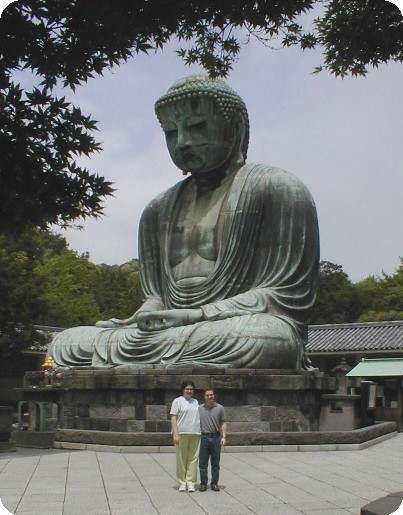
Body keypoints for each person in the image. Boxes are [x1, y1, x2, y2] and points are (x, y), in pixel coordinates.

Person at [48, 74, 319, 370]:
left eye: (196, 127)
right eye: (170, 133)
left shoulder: (278, 188)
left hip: (234, 327)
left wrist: (197, 315)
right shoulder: (157, 210)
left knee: (270, 339)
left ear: (236, 128)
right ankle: (160, 358)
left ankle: (156, 358)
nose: (182, 142)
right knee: (65, 344)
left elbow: (285, 297)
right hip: (174, 333)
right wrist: (147, 315)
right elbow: (156, 296)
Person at [170, 381, 201, 492]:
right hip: (181, 433)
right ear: (183, 390)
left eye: (191, 389)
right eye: (187, 389)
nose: (189, 391)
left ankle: (191, 482)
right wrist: (175, 434)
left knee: (193, 458)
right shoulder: (177, 401)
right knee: (181, 459)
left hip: (195, 433)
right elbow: (173, 418)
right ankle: (182, 482)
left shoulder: (195, 402)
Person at [198, 389, 227, 492]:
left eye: (211, 395)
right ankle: (203, 484)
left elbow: (223, 423)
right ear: (204, 396)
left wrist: (224, 436)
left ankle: (214, 483)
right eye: (207, 395)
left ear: (214, 396)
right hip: (203, 437)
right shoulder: (199, 408)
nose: (209, 397)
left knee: (215, 463)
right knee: (202, 463)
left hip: (216, 437)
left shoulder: (220, 408)